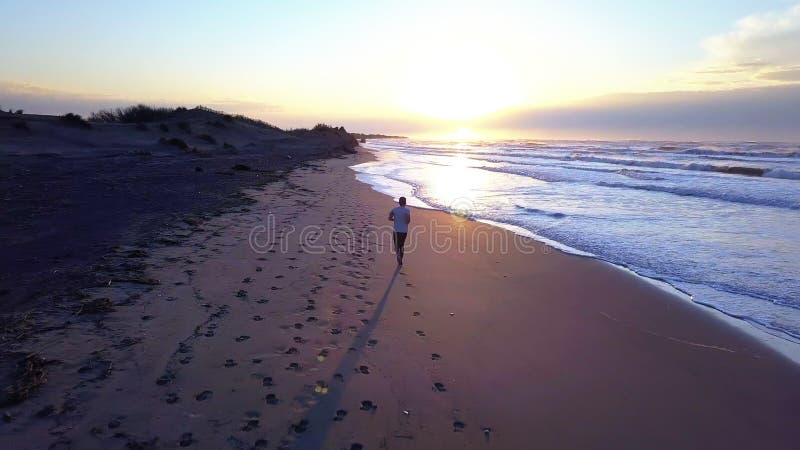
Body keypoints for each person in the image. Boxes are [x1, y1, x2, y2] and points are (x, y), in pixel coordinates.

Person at [388, 196, 411, 265]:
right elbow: (408, 221)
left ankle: (398, 254)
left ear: (399, 202)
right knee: (402, 245)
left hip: (396, 230)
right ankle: (400, 257)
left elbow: (389, 218)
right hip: (404, 231)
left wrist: (395, 220)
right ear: (405, 203)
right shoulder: (407, 211)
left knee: (396, 245)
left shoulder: (394, 210)